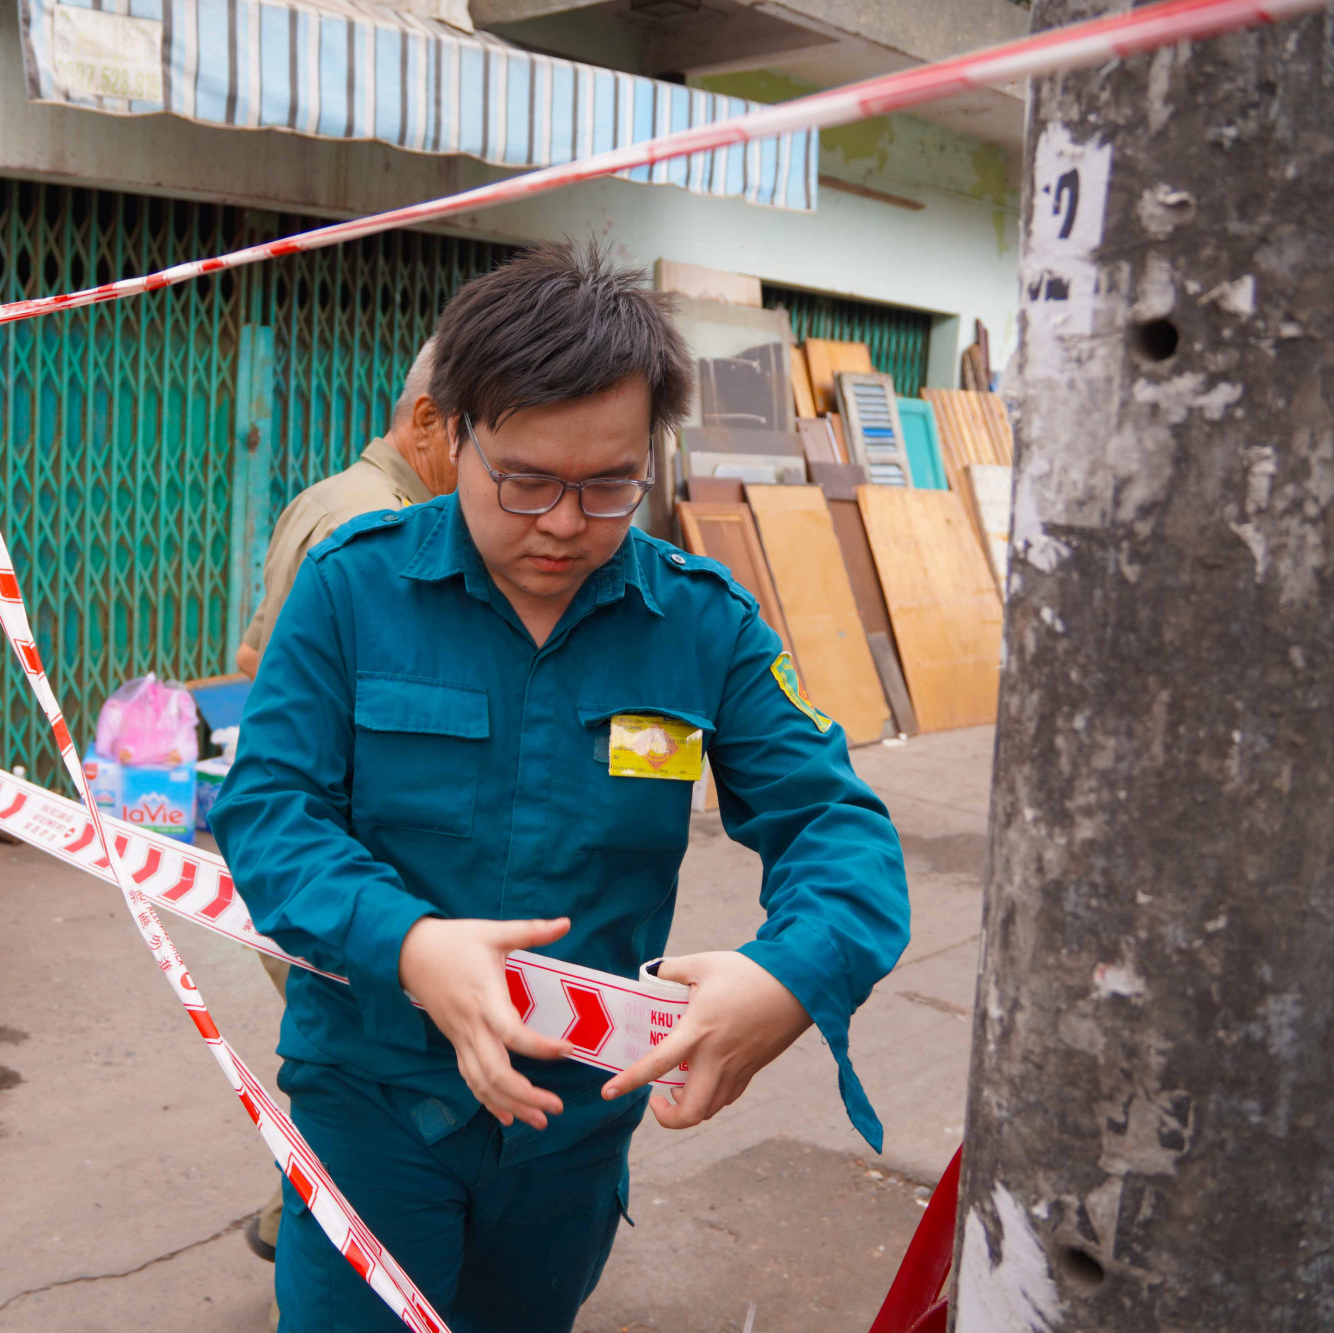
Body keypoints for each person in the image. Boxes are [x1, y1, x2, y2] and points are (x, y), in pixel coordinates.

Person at [210, 242, 909, 1333]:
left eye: (608, 483)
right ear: (453, 431)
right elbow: (268, 810)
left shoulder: (700, 624)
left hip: (574, 1125)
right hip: (373, 1099)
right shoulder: (353, 588)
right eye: (525, 480)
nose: (563, 524)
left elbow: (832, 824)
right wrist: (408, 943)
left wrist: (788, 974)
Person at [236, 343, 455, 1269]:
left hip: (324, 868)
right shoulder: (378, 526)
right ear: (429, 421)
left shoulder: (332, 497)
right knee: (363, 1078)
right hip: (349, 875)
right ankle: (327, 1235)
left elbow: (255, 662)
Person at [235, 343, 456, 678]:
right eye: (471, 436)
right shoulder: (395, 531)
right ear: (427, 421)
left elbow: (251, 655)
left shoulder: (315, 498)